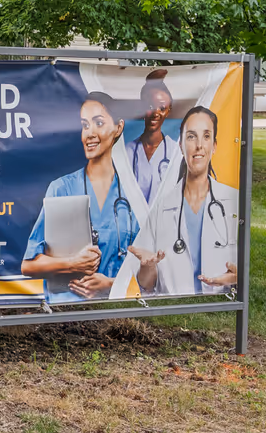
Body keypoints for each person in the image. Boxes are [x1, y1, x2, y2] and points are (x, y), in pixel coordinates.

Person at [23, 93, 159, 302]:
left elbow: (148, 282)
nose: (89, 133)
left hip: (117, 317)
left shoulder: (135, 193)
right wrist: (72, 264)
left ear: (118, 128)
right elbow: (29, 265)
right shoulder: (61, 188)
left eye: (99, 123)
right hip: (66, 318)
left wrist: (111, 286)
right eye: (85, 125)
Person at [137, 105, 240, 295]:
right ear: (181, 146)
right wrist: (147, 267)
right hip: (174, 311)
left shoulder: (234, 200)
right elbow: (146, 285)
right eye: (191, 137)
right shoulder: (161, 207)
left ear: (214, 146)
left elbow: (245, 271)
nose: (199, 145)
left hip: (218, 309)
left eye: (206, 136)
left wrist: (237, 278)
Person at [127, 70, 181, 206]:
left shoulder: (176, 152)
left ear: (169, 110)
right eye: (150, 106)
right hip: (135, 225)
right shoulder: (127, 152)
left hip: (165, 224)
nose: (156, 113)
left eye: (162, 108)